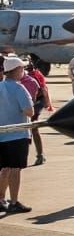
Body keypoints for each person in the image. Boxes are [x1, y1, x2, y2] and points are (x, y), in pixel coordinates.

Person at [0, 55, 35, 215]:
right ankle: (14, 202)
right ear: (16, 70)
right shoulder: (19, 88)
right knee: (15, 169)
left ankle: (1, 199)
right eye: (22, 68)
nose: (24, 71)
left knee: (4, 168)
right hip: (17, 134)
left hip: (2, 133)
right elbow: (29, 111)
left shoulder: (0, 86)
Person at [20, 58, 51, 164]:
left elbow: (37, 94)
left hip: (35, 104)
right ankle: (39, 155)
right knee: (32, 128)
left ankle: (39, 155)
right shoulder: (36, 74)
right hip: (37, 103)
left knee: (31, 128)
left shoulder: (30, 78)